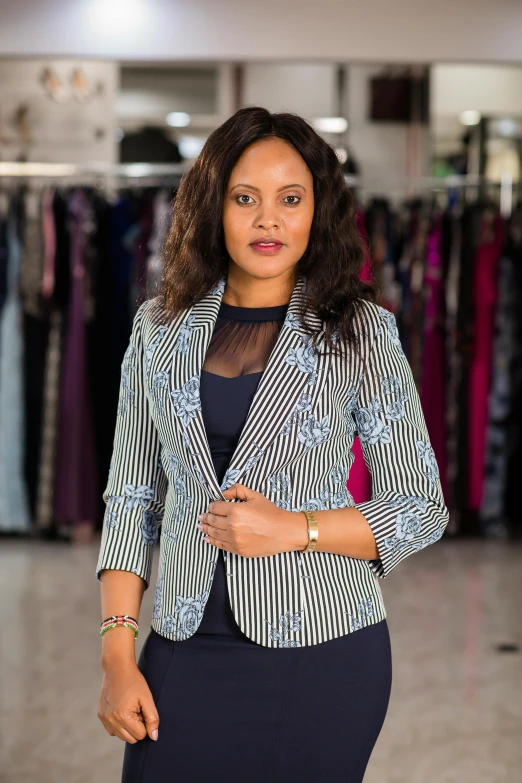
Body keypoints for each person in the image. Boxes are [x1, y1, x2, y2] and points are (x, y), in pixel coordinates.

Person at [96, 106, 449, 782]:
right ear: (214, 206)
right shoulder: (157, 329)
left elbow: (420, 506)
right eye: (245, 198)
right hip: (182, 645)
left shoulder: (362, 332)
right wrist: (117, 655)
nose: (268, 219)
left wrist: (296, 527)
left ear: (318, 210)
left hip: (326, 655)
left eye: (291, 199)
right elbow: (131, 500)